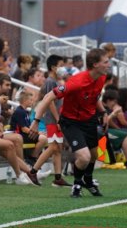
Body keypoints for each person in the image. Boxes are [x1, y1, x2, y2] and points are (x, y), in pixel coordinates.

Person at [33, 47, 110, 198]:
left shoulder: (101, 78)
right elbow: (48, 96)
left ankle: (87, 180)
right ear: (95, 64)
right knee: (84, 157)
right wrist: (36, 121)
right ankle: (76, 184)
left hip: (89, 120)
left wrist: (103, 112)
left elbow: (94, 97)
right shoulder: (77, 82)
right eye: (106, 62)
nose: (109, 64)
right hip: (71, 122)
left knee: (94, 155)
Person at [28, 54, 70, 187]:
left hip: (54, 119)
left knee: (57, 148)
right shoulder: (50, 82)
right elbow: (49, 101)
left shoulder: (54, 82)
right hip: (52, 120)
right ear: (53, 67)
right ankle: (33, 170)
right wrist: (58, 118)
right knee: (53, 147)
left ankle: (58, 178)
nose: (63, 68)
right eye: (61, 65)